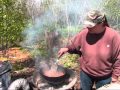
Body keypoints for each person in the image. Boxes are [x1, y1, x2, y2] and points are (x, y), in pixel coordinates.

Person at [58, 10, 120, 90]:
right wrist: (67, 48)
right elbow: (74, 45)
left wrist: (115, 76)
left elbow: (118, 58)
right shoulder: (84, 33)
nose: (88, 27)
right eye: (87, 25)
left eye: (91, 25)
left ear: (101, 23)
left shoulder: (114, 36)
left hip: (104, 76)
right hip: (86, 74)